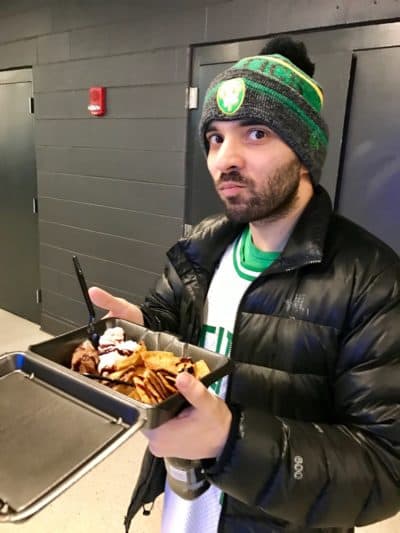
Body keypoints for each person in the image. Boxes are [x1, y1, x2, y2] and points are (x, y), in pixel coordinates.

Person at [89, 37, 400, 533]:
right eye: (215, 137)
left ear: (304, 153)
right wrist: (141, 331)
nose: (224, 159)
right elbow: (172, 326)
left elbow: (385, 465)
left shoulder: (372, 280)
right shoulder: (202, 246)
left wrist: (231, 442)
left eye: (255, 134)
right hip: (183, 505)